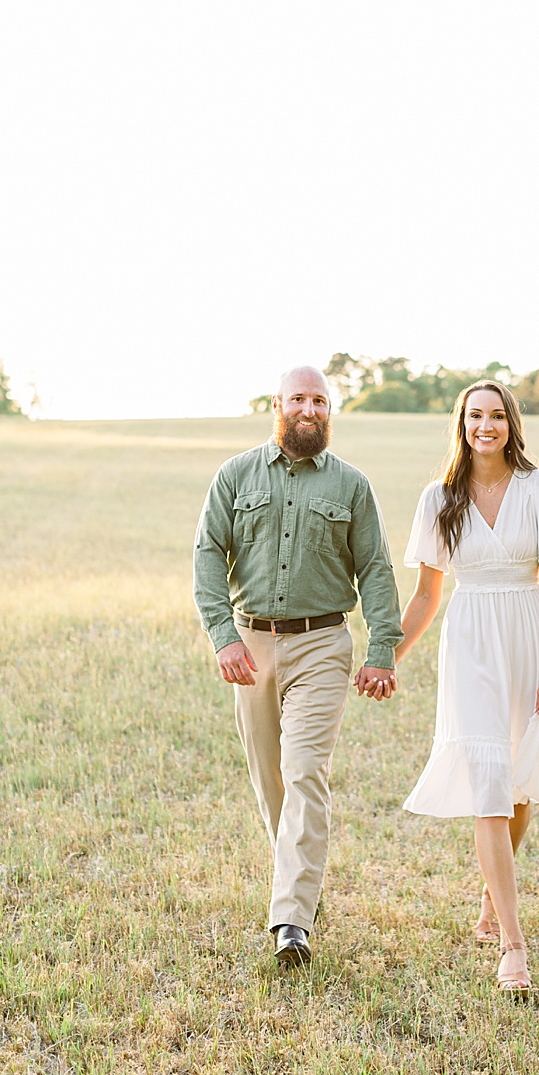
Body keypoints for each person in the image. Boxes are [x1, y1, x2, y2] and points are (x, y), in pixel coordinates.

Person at [192, 365, 403, 966]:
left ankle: (291, 921)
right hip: (252, 647)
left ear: (329, 410)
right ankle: (299, 884)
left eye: (320, 400)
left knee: (305, 769)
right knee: (272, 783)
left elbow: (377, 569)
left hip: (322, 644)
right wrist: (223, 636)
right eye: (298, 399)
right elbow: (208, 554)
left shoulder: (352, 486)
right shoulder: (234, 476)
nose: (309, 409)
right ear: (277, 405)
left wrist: (381, 649)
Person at [394, 379, 539, 994]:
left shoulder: (538, 487)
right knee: (490, 786)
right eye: (475, 416)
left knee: (518, 784)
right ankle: (514, 949)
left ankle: (491, 898)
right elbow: (425, 595)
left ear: (510, 423)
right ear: (462, 424)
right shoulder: (438, 498)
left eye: (497, 416)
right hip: (469, 642)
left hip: (525, 637)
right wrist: (386, 654)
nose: (486, 426)